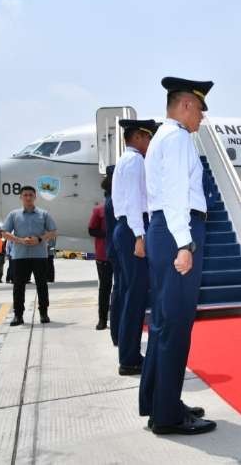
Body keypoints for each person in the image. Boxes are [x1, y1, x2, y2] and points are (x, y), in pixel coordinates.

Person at [140, 76, 215, 435]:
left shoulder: (161, 139)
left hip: (163, 230)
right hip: (177, 231)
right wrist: (185, 244)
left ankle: (159, 402)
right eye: (200, 109)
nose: (201, 117)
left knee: (163, 323)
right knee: (176, 326)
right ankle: (167, 415)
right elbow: (174, 195)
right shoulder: (179, 138)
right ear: (186, 105)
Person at [112, 118, 159, 376]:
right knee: (135, 295)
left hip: (128, 228)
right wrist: (140, 237)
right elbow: (132, 202)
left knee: (131, 293)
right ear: (139, 137)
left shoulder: (126, 161)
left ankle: (129, 353)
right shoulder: (135, 161)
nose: (150, 142)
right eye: (148, 137)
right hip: (133, 229)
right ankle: (129, 358)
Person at [0, 186, 57, 326]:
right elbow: (4, 232)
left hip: (40, 255)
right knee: (18, 286)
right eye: (25, 195)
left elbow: (53, 231)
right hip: (20, 256)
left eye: (31, 195)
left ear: (35, 197)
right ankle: (18, 315)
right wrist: (20, 240)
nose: (28, 197)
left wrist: (40, 239)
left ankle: (44, 313)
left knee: (42, 285)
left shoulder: (44, 214)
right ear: (21, 197)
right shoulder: (14, 215)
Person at [88, 178, 112, 330]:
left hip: (120, 255)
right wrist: (108, 234)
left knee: (121, 288)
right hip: (103, 255)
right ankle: (102, 319)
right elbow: (91, 230)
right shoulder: (99, 210)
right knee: (104, 288)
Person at [104, 166, 122, 345]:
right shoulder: (114, 200)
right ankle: (117, 333)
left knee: (117, 290)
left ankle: (116, 334)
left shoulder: (109, 198)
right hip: (118, 250)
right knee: (120, 291)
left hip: (113, 249)